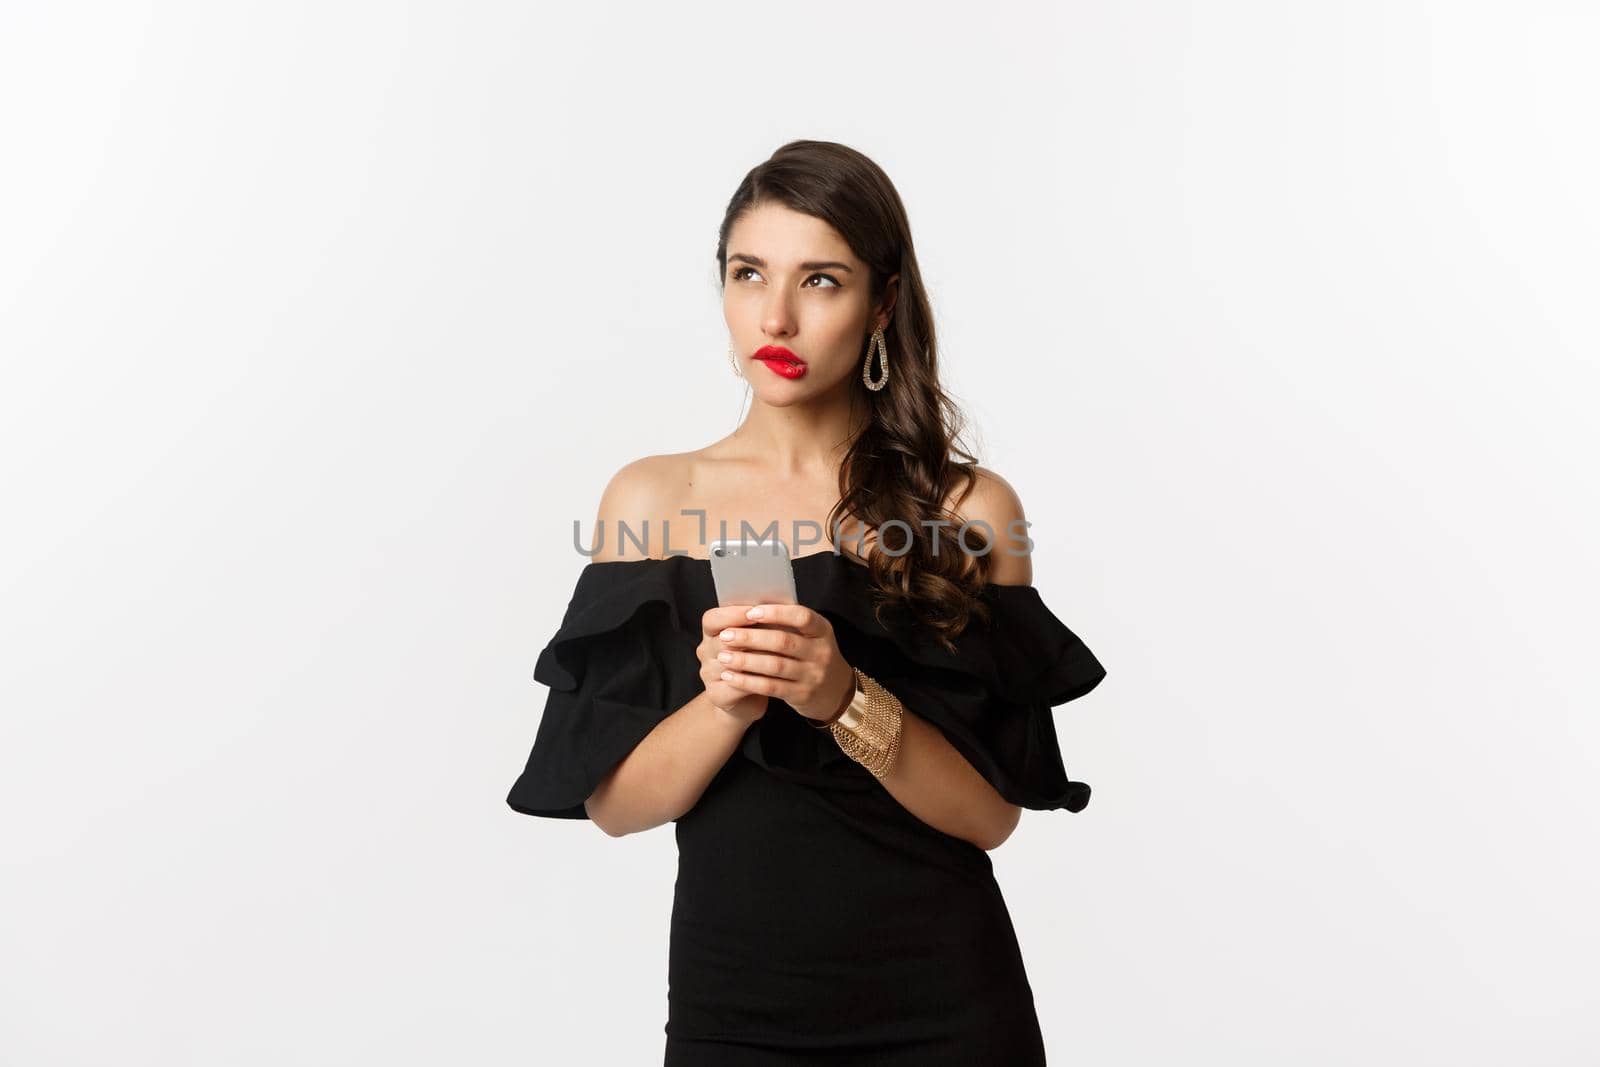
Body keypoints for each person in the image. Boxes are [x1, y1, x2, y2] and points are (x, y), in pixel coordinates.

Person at [506, 139, 1108, 1066]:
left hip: (947, 1005)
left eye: (821, 281)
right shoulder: (650, 502)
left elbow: (993, 816)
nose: (775, 316)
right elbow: (615, 804)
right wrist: (730, 697)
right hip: (734, 1011)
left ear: (882, 303)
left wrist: (842, 696)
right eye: (749, 274)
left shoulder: (970, 511)